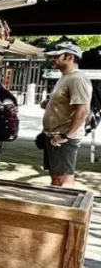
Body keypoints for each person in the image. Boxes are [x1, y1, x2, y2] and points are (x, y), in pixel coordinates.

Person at [40, 41, 93, 186]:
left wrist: (66, 136)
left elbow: (83, 110)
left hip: (63, 138)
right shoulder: (65, 77)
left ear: (70, 57)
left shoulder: (77, 78)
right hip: (55, 136)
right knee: (57, 177)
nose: (53, 59)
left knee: (63, 180)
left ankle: (63, 208)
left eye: (57, 56)